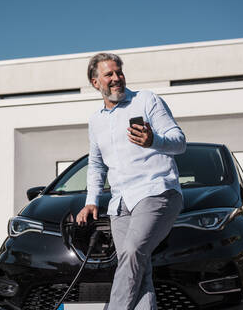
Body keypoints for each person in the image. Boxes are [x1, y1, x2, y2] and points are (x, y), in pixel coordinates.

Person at [76, 53, 186, 310]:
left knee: (132, 252)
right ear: (95, 83)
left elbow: (179, 141)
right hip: (120, 204)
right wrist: (91, 201)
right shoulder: (96, 121)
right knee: (140, 268)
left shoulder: (146, 100)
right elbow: (96, 164)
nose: (116, 78)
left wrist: (154, 141)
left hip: (157, 192)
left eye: (119, 72)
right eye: (109, 74)